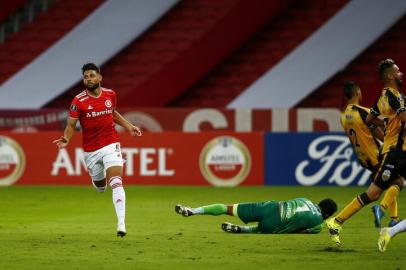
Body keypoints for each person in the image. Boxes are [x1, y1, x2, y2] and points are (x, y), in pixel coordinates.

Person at [53, 63, 142, 237]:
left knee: (116, 181)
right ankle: (97, 182)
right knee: (101, 187)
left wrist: (129, 126)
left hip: (111, 143)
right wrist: (66, 138)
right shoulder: (78, 101)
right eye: (85, 77)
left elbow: (113, 113)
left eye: (92, 75)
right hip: (91, 150)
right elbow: (71, 125)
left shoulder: (110, 94)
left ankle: (121, 224)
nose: (89, 79)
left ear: (100, 77)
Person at [326, 81, 401, 246]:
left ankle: (393, 219)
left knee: (389, 183)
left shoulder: (343, 116)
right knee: (395, 182)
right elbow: (382, 130)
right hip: (376, 156)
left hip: (363, 157)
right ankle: (338, 221)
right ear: (358, 92)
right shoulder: (363, 112)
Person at [175, 198, 337, 234]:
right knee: (262, 229)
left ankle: (193, 211)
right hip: (275, 224)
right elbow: (298, 231)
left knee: (227, 208)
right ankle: (242, 229)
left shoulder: (306, 199)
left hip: (270, 207)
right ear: (328, 214)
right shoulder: (318, 226)